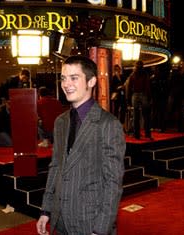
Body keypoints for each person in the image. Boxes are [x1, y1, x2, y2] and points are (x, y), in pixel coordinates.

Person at [36, 55, 126, 235]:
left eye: (74, 78)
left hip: (90, 221)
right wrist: (46, 210)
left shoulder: (108, 124)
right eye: (63, 78)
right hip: (60, 218)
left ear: (91, 81)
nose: (66, 84)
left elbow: (113, 183)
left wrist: (100, 230)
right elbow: (56, 167)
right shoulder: (60, 122)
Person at [126, 60, 153, 139]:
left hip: (135, 95)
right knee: (145, 115)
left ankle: (137, 134)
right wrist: (149, 97)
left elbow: (129, 88)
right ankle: (147, 134)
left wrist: (128, 98)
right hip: (143, 94)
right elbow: (148, 87)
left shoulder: (132, 75)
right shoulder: (145, 75)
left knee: (136, 115)